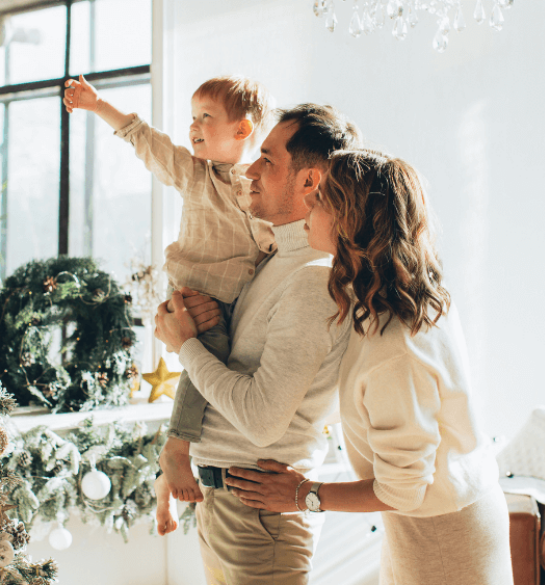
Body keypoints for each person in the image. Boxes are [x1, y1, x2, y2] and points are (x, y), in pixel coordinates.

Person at [216, 149, 513, 584]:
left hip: (443, 535)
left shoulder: (395, 349)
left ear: (349, 220)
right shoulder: (394, 294)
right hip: (433, 518)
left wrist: (304, 495)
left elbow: (403, 489)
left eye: (320, 201)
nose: (308, 207)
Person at [154, 104, 361, 584]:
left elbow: (263, 421)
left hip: (256, 515)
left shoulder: (313, 279)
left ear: (310, 182)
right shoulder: (272, 260)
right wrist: (181, 325)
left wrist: (186, 346)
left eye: (267, 159)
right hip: (226, 504)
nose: (249, 169)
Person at [62, 74, 276, 534]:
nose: (193, 126)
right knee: (209, 358)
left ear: (242, 130)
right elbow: (145, 138)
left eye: (206, 117)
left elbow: (275, 237)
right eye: (192, 116)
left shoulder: (258, 183)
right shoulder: (195, 175)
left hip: (236, 303)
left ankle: (165, 484)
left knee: (221, 390)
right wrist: (98, 105)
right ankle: (176, 451)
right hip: (197, 295)